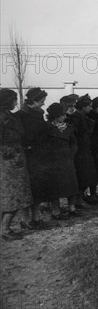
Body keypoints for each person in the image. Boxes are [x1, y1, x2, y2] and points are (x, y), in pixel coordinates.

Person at [0, 89, 33, 240]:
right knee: (13, 196)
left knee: (12, 196)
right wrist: (10, 152)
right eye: (13, 100)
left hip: (15, 160)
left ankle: (4, 228)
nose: (15, 103)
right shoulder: (2, 117)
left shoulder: (9, 115)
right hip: (8, 162)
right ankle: (5, 230)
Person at [15, 87, 50, 226]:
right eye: (41, 101)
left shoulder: (38, 114)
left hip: (40, 156)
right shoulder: (20, 115)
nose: (43, 104)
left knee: (38, 188)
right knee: (28, 188)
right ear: (34, 101)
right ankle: (25, 219)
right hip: (28, 157)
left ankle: (36, 217)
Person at [45, 103, 81, 219]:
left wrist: (71, 155)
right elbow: (44, 144)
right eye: (62, 115)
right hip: (53, 161)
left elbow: (74, 143)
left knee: (71, 184)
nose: (65, 117)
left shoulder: (69, 128)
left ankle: (72, 207)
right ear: (55, 115)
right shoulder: (47, 128)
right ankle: (56, 211)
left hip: (67, 160)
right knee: (55, 187)